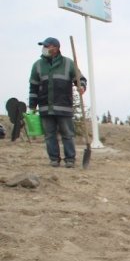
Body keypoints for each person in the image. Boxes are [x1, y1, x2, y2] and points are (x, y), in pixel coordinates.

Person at [29, 37, 87, 168]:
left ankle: (70, 160)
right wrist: (32, 106)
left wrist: (81, 86)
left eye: (46, 46)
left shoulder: (68, 63)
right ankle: (54, 159)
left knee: (67, 134)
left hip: (64, 107)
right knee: (49, 135)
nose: (44, 49)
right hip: (45, 108)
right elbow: (33, 87)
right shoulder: (37, 65)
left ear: (55, 48)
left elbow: (80, 78)